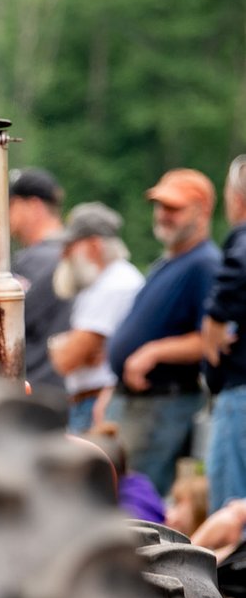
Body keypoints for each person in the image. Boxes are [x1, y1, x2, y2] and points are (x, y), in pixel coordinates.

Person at [106, 168, 221, 496]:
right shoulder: (174, 261)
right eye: (160, 207)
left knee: (136, 501)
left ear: (202, 212)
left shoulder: (205, 265)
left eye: (174, 208)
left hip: (162, 405)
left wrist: (153, 352)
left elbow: (211, 338)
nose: (163, 215)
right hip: (139, 404)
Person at [46, 203, 144, 434]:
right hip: (95, 400)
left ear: (94, 246)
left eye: (69, 246)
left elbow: (66, 359)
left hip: (98, 403)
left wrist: (65, 347)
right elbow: (79, 352)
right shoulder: (109, 281)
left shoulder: (113, 286)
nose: (63, 254)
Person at [203, 155, 246, 509]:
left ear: (236, 198)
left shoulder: (244, 237)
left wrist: (215, 319)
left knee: (232, 512)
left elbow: (241, 265)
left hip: (240, 393)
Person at [9, 168, 72, 390]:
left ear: (33, 206)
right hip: (70, 387)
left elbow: (4, 319)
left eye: (11, 205)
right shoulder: (78, 252)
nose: (5, 215)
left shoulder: (34, 260)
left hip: (38, 387)